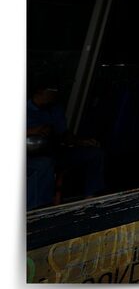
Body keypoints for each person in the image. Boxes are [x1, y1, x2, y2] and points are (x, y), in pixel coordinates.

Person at [26, 79, 105, 210]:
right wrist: (32, 131)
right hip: (30, 155)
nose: (54, 95)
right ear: (40, 91)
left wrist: (81, 141)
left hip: (54, 151)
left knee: (95, 154)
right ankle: (36, 209)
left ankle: (90, 199)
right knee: (43, 164)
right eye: (52, 91)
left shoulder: (55, 109)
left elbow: (64, 135)